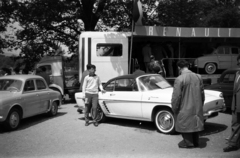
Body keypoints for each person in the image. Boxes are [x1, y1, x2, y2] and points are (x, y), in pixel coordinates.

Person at [171, 60, 205, 148]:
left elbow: (176, 97)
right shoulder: (198, 77)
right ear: (188, 66)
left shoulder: (179, 79)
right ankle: (196, 142)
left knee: (185, 123)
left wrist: (174, 108)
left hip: (185, 107)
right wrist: (201, 104)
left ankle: (188, 143)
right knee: (195, 123)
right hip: (197, 106)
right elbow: (202, 94)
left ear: (179, 68)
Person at [223, 55, 240, 152]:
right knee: (234, 124)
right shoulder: (237, 73)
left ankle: (233, 143)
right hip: (236, 105)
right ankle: (234, 142)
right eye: (238, 63)